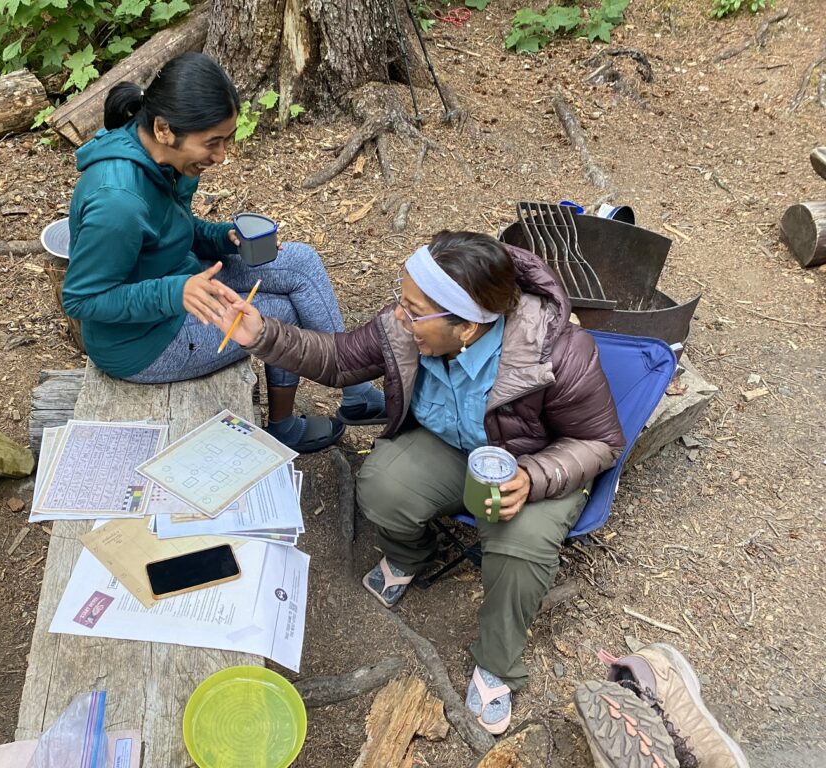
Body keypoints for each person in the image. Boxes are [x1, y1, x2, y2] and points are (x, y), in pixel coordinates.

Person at [213, 230, 625, 735]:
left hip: (529, 460)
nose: (398, 317)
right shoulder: (404, 326)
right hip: (452, 446)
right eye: (401, 300)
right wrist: (263, 335)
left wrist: (533, 477)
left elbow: (601, 442)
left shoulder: (556, 352)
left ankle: (498, 662)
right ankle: (412, 555)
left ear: (468, 328)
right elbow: (341, 359)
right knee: (384, 483)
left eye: (413, 309)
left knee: (519, 551)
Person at [61, 52, 385, 452]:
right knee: (275, 315)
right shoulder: (118, 203)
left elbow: (170, 229)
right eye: (212, 143)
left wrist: (221, 237)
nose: (221, 156)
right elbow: (82, 299)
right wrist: (174, 292)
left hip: (182, 282)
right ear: (164, 129)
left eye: (226, 140)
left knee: (300, 261)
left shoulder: (158, 155)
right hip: (143, 343)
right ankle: (283, 428)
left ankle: (357, 394)